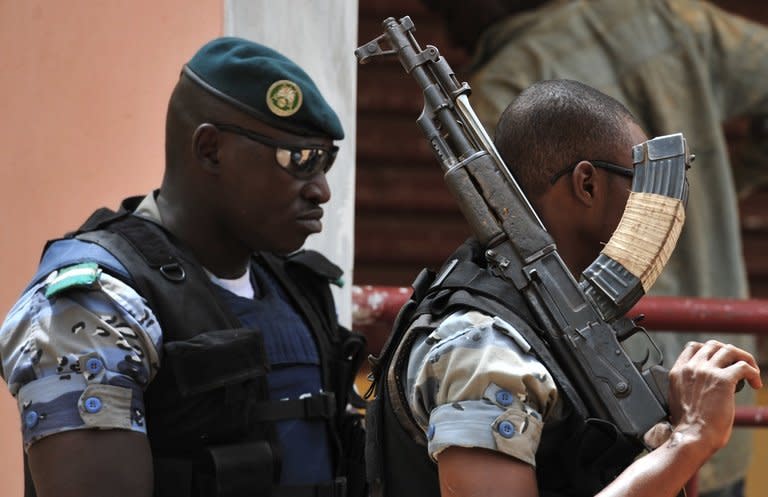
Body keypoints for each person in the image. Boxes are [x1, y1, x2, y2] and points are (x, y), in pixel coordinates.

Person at [419, 1, 768, 495]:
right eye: (645, 184)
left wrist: (685, 441)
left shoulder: (504, 85)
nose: (663, 204)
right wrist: (686, 443)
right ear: (585, 185)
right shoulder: (486, 348)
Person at [0, 37, 366, 497]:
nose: (321, 190)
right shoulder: (96, 303)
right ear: (211, 149)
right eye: (299, 159)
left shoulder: (298, 288)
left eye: (325, 161)